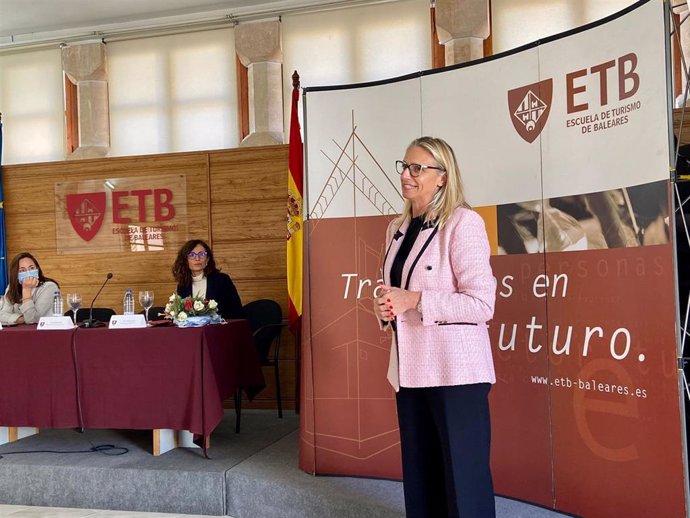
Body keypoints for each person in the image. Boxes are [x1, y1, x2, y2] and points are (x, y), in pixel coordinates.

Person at [373, 137, 497, 518]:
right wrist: (384, 307)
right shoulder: (398, 225)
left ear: (442, 178)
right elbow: (395, 289)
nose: (406, 175)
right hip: (410, 370)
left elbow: (482, 303)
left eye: (417, 168)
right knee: (421, 475)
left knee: (464, 478)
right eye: (404, 166)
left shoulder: (464, 223)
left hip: (455, 371)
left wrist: (415, 300)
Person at [172, 239, 244, 320]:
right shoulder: (183, 285)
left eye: (202, 254)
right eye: (192, 255)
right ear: (185, 261)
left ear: (208, 259)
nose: (197, 258)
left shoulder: (222, 280)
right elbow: (182, 316)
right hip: (193, 330)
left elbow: (236, 312)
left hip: (221, 328)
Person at [0, 252, 60, 325]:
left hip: (46, 333)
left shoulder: (49, 287)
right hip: (19, 333)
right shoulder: (11, 287)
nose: (28, 273)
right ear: (15, 274)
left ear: (37, 269)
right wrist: (21, 319)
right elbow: (2, 315)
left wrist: (26, 289)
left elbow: (32, 319)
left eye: (31, 268)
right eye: (22, 270)